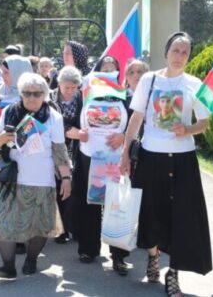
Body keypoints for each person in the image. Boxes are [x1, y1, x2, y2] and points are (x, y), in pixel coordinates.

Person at [120, 32, 212, 297]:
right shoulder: (148, 80)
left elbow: (204, 123)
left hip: (183, 160)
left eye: (185, 52)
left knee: (181, 217)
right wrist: (125, 153)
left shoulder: (195, 84)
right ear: (166, 52)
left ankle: (174, 275)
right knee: (150, 212)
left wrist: (188, 129)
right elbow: (136, 119)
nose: (180, 56)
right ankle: (152, 256)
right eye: (176, 50)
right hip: (151, 157)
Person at [0, 73, 72, 279]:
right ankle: (8, 266)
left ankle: (31, 260)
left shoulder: (54, 117)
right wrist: (0, 138)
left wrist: (66, 178)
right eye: (27, 93)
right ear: (21, 94)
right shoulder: (9, 112)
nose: (32, 97)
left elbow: (60, 151)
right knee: (3, 221)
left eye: (37, 93)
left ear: (45, 95)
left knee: (40, 224)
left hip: (42, 180)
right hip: (12, 179)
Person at [72, 66, 132, 275]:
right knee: (89, 204)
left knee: (115, 206)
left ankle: (118, 257)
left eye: (111, 69)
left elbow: (137, 124)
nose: (106, 74)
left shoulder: (125, 97)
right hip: (89, 157)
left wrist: (124, 136)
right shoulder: (83, 95)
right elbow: (69, 122)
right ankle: (88, 249)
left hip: (115, 160)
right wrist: (78, 133)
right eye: (103, 70)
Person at [49, 65, 83, 244]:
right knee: (59, 185)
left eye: (73, 87)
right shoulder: (50, 98)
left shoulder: (81, 97)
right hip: (55, 146)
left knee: (76, 186)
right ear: (59, 84)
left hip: (77, 145)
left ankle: (75, 228)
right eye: (66, 87)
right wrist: (67, 130)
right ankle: (60, 229)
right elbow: (47, 121)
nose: (70, 91)